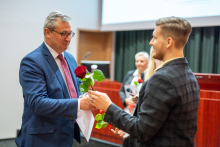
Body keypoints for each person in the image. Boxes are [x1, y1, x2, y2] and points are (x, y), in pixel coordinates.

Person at [88, 16, 200, 147]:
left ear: (169, 42)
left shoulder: (163, 78)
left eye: (155, 37)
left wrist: (108, 106)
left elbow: (142, 130)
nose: (151, 42)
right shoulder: (189, 74)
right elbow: (164, 125)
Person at [15, 11, 95, 147]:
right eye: (63, 33)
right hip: (42, 138)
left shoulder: (69, 58)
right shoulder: (32, 61)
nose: (68, 38)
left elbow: (73, 91)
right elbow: (37, 103)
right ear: (47, 32)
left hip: (66, 134)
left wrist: (88, 96)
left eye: (70, 34)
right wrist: (78, 104)